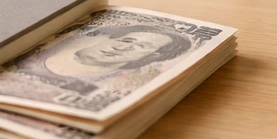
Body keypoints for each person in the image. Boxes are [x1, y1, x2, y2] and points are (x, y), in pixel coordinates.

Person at [15, 24, 193, 94]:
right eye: (125, 40)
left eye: (140, 46)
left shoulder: (118, 86)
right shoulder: (49, 48)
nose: (121, 48)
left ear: (152, 56)